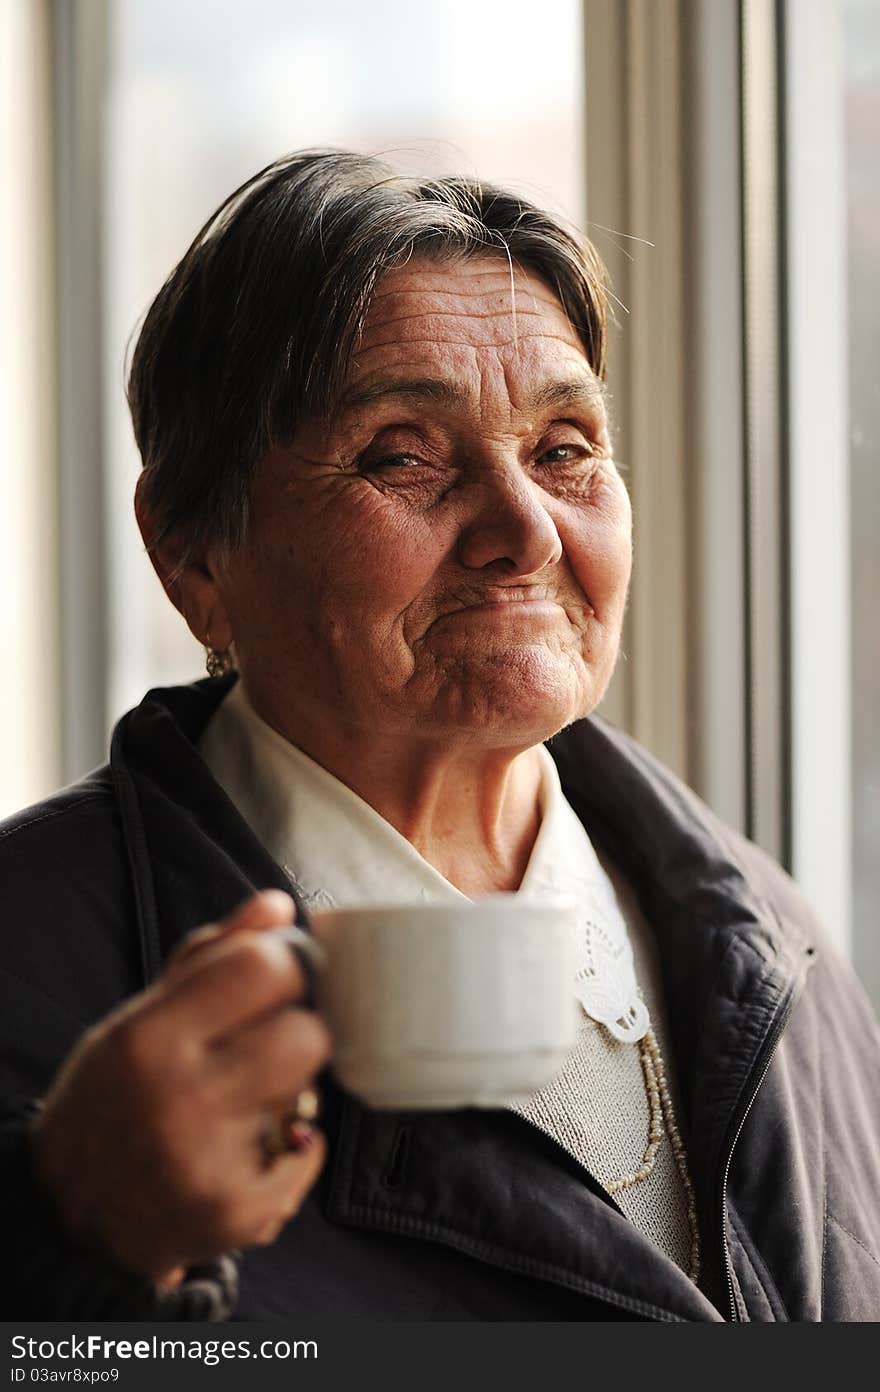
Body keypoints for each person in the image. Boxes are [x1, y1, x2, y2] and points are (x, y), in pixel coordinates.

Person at [2, 149, 879, 1323]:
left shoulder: (773, 945)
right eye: (402, 454)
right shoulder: (30, 959)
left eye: (565, 449)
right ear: (192, 552)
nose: (523, 530)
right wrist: (72, 1239)